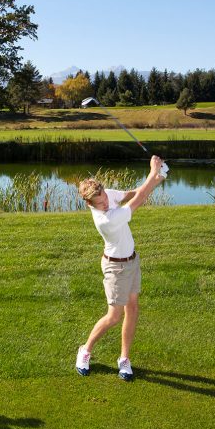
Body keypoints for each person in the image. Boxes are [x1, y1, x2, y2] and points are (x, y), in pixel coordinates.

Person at [75, 155, 166, 381]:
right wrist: (153, 172)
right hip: (115, 268)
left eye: (104, 196)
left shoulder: (108, 196)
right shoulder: (106, 219)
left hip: (132, 261)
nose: (105, 202)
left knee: (133, 308)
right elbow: (140, 199)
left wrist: (157, 177)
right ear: (90, 204)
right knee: (113, 316)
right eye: (99, 201)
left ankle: (124, 359)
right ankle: (85, 351)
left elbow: (134, 193)